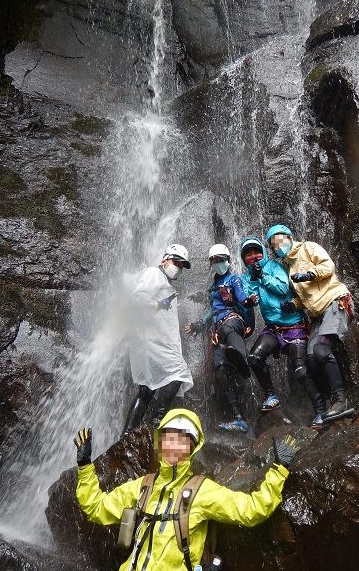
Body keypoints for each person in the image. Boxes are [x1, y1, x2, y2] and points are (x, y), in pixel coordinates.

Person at [74, 408, 299, 571]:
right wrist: (85, 467)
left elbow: (251, 510)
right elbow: (96, 508)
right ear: (160, 444)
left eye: (182, 441)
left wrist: (279, 470)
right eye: (168, 439)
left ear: (191, 449)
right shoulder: (144, 486)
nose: (173, 446)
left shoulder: (202, 491)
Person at [265, 224, 355, 422]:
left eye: (279, 240)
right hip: (317, 315)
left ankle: (341, 400)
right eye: (273, 245)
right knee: (312, 358)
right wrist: (292, 305)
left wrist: (309, 274)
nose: (278, 246)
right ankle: (330, 401)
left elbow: (328, 266)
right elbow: (304, 297)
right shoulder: (287, 268)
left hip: (335, 301)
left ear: (288, 237)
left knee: (322, 350)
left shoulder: (308, 248)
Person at [240, 237, 326, 425]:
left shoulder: (274, 267)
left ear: (263, 252)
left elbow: (282, 288)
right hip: (273, 329)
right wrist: (248, 299)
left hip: (294, 325)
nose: (253, 257)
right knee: (254, 358)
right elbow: (248, 296)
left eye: (256, 252)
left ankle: (322, 410)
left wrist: (262, 275)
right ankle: (271, 396)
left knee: (301, 372)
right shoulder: (245, 277)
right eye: (248, 254)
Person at [184, 244, 258, 434]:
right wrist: (199, 325)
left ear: (228, 261)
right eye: (215, 261)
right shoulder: (213, 287)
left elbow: (241, 297)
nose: (218, 264)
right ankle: (238, 418)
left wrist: (247, 301)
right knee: (220, 369)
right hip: (218, 330)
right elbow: (212, 310)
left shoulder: (234, 279)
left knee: (227, 327)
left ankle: (243, 359)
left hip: (234, 320)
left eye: (221, 260)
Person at [123, 244, 194, 434]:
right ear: (164, 259)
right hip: (151, 341)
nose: (177, 267)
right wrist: (159, 304)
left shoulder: (166, 283)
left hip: (153, 342)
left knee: (145, 391)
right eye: (175, 261)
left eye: (181, 265)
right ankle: (156, 421)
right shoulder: (153, 274)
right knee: (179, 373)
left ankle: (127, 434)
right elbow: (137, 301)